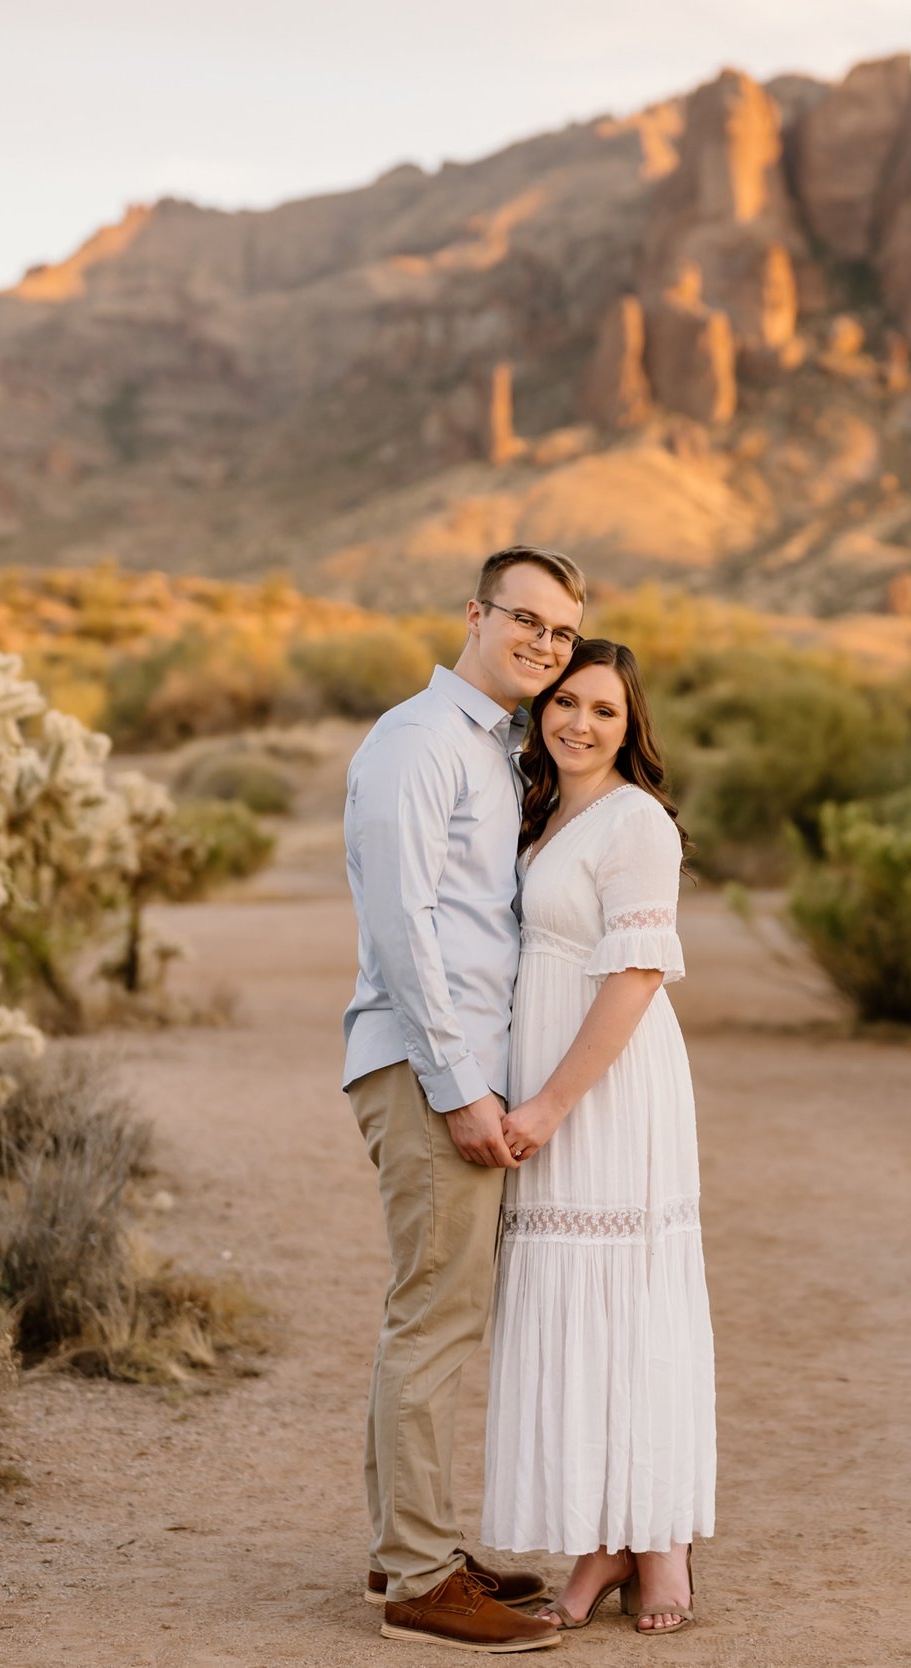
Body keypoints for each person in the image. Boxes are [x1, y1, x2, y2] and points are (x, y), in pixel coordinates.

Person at [342, 545, 586, 1654]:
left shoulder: (493, 752)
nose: (543, 644)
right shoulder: (418, 741)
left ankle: (414, 1548)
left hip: (456, 1069)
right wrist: (457, 1088)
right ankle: (420, 1579)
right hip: (426, 1068)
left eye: (563, 633)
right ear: (474, 614)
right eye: (526, 620)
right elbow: (402, 932)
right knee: (434, 1319)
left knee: (438, 1317)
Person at [482, 639, 717, 1637]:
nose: (579, 723)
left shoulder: (638, 823)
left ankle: (650, 1538)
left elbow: (632, 980)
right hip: (545, 1078)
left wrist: (549, 1105)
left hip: (607, 1088)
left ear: (634, 727)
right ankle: (607, 1536)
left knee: (631, 1305)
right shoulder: (537, 811)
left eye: (605, 711)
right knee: (573, 1308)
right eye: (564, 701)